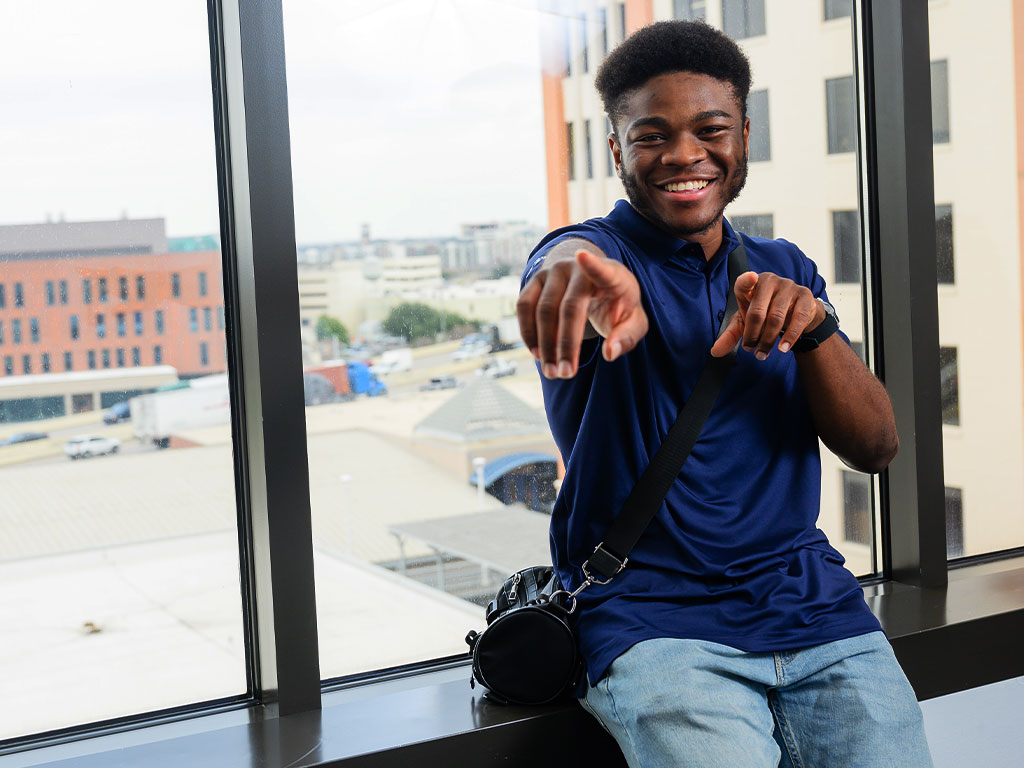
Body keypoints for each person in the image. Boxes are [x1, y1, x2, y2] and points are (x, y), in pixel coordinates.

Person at [516, 20, 933, 768]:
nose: (683, 154)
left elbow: (877, 447)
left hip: (815, 610)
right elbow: (562, 266)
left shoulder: (784, 268)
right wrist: (574, 277)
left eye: (710, 128)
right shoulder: (598, 255)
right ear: (616, 151)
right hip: (655, 626)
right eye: (651, 137)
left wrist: (812, 329)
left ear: (743, 133)